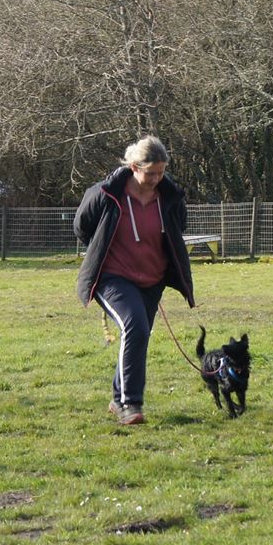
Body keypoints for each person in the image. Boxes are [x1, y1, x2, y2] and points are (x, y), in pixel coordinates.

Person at [74, 136, 195, 427]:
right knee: (136, 327)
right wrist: (105, 248)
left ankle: (118, 399)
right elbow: (82, 226)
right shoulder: (106, 193)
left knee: (137, 336)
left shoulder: (169, 196)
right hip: (112, 277)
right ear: (133, 167)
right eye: (150, 172)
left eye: (161, 172)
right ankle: (130, 404)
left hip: (152, 279)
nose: (156, 178)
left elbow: (180, 226)